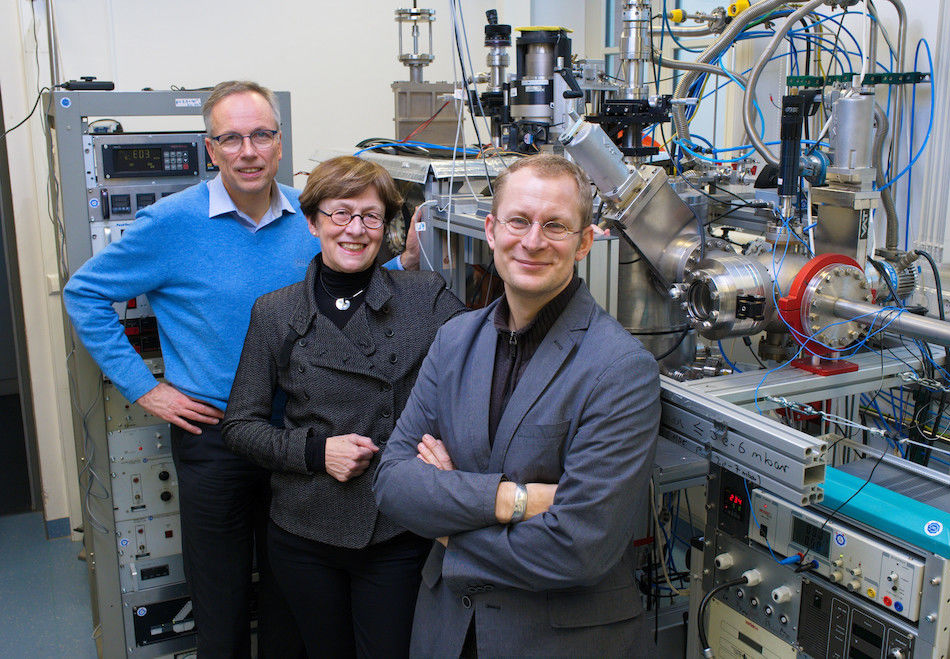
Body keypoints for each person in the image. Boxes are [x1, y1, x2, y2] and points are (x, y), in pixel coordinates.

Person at [62, 81, 419, 656]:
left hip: (298, 434)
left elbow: (352, 280)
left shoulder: (311, 217)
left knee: (290, 599)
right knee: (222, 599)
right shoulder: (170, 224)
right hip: (213, 437)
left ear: (279, 144)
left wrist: (410, 259)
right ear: (211, 149)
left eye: (261, 135)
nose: (248, 151)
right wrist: (144, 389)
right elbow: (84, 295)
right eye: (232, 138)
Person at [373, 153, 661, 657]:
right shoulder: (454, 340)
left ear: (585, 242)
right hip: (445, 632)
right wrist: (515, 500)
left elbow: (578, 547)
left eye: (555, 225)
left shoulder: (620, 368)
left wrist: (449, 534)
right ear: (490, 229)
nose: (532, 241)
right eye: (519, 221)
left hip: (557, 641)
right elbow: (393, 482)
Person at [222, 155, 465, 658]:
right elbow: (239, 426)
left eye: (371, 216)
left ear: (386, 228)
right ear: (312, 223)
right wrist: (316, 452)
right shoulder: (276, 312)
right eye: (340, 214)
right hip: (304, 530)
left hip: (395, 526)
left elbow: (484, 362)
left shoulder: (426, 297)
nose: (355, 229)